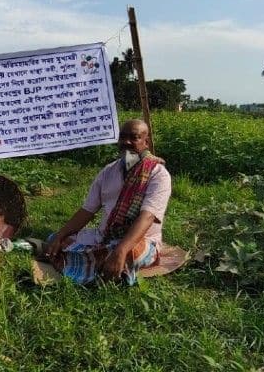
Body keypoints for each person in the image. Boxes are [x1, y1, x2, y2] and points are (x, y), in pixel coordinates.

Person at [44, 119, 172, 285]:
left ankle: (80, 263)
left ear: (146, 142)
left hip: (140, 240)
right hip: (104, 236)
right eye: (122, 137)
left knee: (129, 253)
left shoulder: (158, 174)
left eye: (134, 138)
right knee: (55, 238)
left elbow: (147, 217)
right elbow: (87, 211)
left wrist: (121, 249)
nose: (126, 142)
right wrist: (61, 235)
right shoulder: (109, 171)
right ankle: (93, 263)